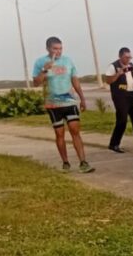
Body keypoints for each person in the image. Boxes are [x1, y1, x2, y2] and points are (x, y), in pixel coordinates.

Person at [31, 36, 95, 173]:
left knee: (75, 130)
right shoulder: (40, 62)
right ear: (48, 48)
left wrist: (82, 98)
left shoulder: (67, 61)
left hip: (69, 100)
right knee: (60, 133)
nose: (58, 51)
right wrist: (44, 70)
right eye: (55, 49)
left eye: (60, 48)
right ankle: (65, 163)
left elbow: (75, 79)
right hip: (53, 104)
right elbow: (35, 83)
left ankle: (83, 162)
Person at [103, 47, 133, 153]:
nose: (128, 59)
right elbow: (108, 81)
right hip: (120, 96)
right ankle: (114, 144)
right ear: (120, 56)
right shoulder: (113, 66)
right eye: (126, 57)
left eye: (130, 57)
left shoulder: (131, 65)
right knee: (122, 120)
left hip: (132, 95)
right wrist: (118, 74)